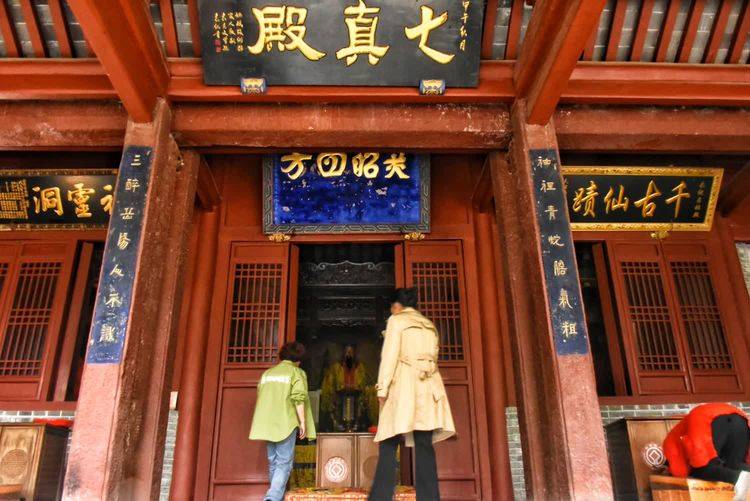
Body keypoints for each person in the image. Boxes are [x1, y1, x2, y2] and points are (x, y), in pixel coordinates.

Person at [369, 288, 455, 501]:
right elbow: (434, 357)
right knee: (424, 444)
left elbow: (389, 356)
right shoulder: (429, 325)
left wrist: (382, 389)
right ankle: (430, 498)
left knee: (389, 440)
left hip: (404, 384)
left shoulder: (397, 320)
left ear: (396, 306)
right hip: (428, 385)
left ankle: (380, 496)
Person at [249, 341, 316, 501]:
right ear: (298, 360)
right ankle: (272, 498)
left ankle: (275, 496)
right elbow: (298, 398)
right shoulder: (296, 372)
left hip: (266, 423)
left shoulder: (268, 374)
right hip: (285, 421)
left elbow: (261, 395)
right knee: (284, 463)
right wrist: (303, 422)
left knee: (273, 462)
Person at [663, 403, 750, 501]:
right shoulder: (680, 432)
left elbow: (680, 473)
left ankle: (741, 478)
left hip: (705, 418)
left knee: (703, 469)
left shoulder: (668, 444)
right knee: (734, 465)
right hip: (739, 418)